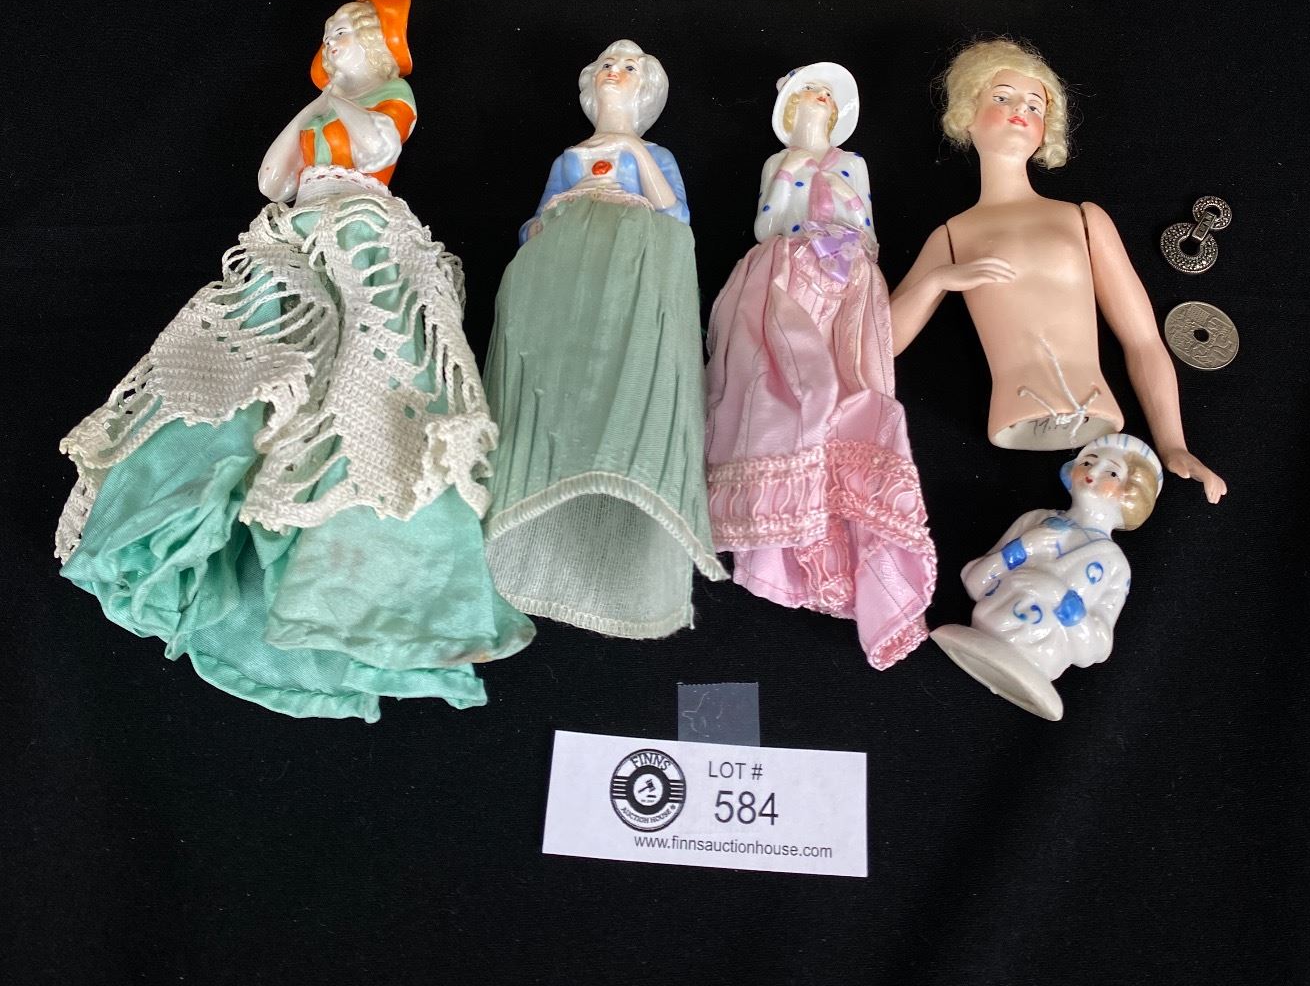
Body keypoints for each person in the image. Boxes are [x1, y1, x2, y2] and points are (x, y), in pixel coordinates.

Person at [57, 0, 533, 719]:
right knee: (247, 362)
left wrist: (334, 100)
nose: (335, 42)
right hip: (293, 233)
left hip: (363, 222)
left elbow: (375, 149)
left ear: (380, 48)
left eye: (348, 33)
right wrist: (315, 103)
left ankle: (378, 584)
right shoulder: (326, 101)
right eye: (330, 34)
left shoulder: (392, 95)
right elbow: (273, 181)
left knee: (376, 363)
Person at [888, 38, 1226, 501]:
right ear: (967, 113)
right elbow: (882, 342)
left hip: (1099, 414)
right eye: (1002, 96)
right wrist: (937, 281)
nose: (1020, 110)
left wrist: (1172, 443)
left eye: (1035, 105)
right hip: (1013, 417)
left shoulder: (1083, 220)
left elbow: (1143, 339)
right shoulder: (951, 236)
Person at [483, 39, 725, 638]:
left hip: (631, 255)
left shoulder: (654, 153)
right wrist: (541, 232)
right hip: (568, 260)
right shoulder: (570, 157)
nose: (616, 73)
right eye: (608, 66)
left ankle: (623, 466)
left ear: (645, 89)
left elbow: (674, 213)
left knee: (623, 352)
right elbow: (535, 220)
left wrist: (634, 149)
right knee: (560, 361)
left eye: (629, 68)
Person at [704, 64, 935, 668]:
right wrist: (794, 171)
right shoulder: (778, 163)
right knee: (776, 385)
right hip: (782, 271)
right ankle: (782, 528)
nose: (817, 100)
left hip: (849, 274)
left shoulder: (853, 164)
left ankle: (846, 537)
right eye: (807, 92)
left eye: (826, 96)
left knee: (851, 384)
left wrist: (843, 242)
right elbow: (767, 221)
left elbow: (867, 227)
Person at [932, 432, 1162, 720]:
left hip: (1039, 660)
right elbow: (975, 582)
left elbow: (1097, 648)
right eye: (1088, 462)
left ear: (1131, 493)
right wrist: (1022, 548)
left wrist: (1059, 597)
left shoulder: (1115, 565)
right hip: (984, 630)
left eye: (1111, 473)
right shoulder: (1036, 520)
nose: (1092, 473)